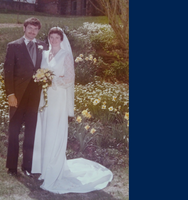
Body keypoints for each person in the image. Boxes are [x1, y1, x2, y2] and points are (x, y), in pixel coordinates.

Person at [31, 27, 113, 194]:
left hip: (58, 98)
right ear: (48, 39)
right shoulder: (45, 54)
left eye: (56, 38)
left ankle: (54, 170)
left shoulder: (65, 55)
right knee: (45, 131)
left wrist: (51, 79)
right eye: (51, 37)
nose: (53, 40)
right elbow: (40, 73)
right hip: (44, 98)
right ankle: (44, 168)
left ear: (61, 40)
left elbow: (69, 79)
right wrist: (41, 78)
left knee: (54, 131)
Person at [3, 17, 48, 176]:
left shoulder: (43, 46)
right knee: (14, 130)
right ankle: (12, 166)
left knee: (31, 131)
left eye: (35, 29)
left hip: (35, 96)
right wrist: (10, 94)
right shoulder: (13, 46)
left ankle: (28, 166)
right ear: (24, 28)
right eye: (30, 28)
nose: (32, 31)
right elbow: (8, 72)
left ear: (38, 31)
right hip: (17, 95)